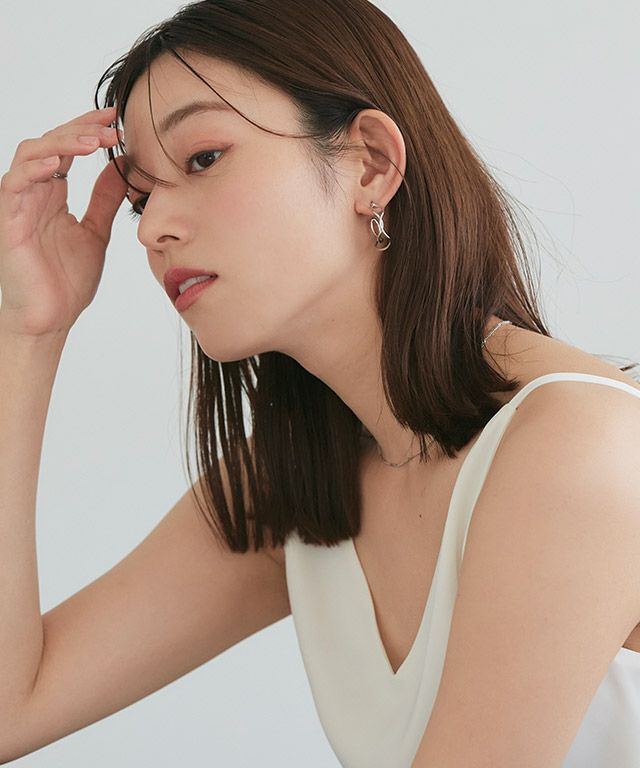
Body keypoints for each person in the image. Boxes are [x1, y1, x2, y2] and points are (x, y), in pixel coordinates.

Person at [1, 1, 639, 765]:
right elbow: (11, 707)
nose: (150, 228)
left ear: (370, 163)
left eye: (202, 159)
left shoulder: (574, 441)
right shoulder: (298, 482)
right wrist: (29, 331)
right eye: (141, 196)